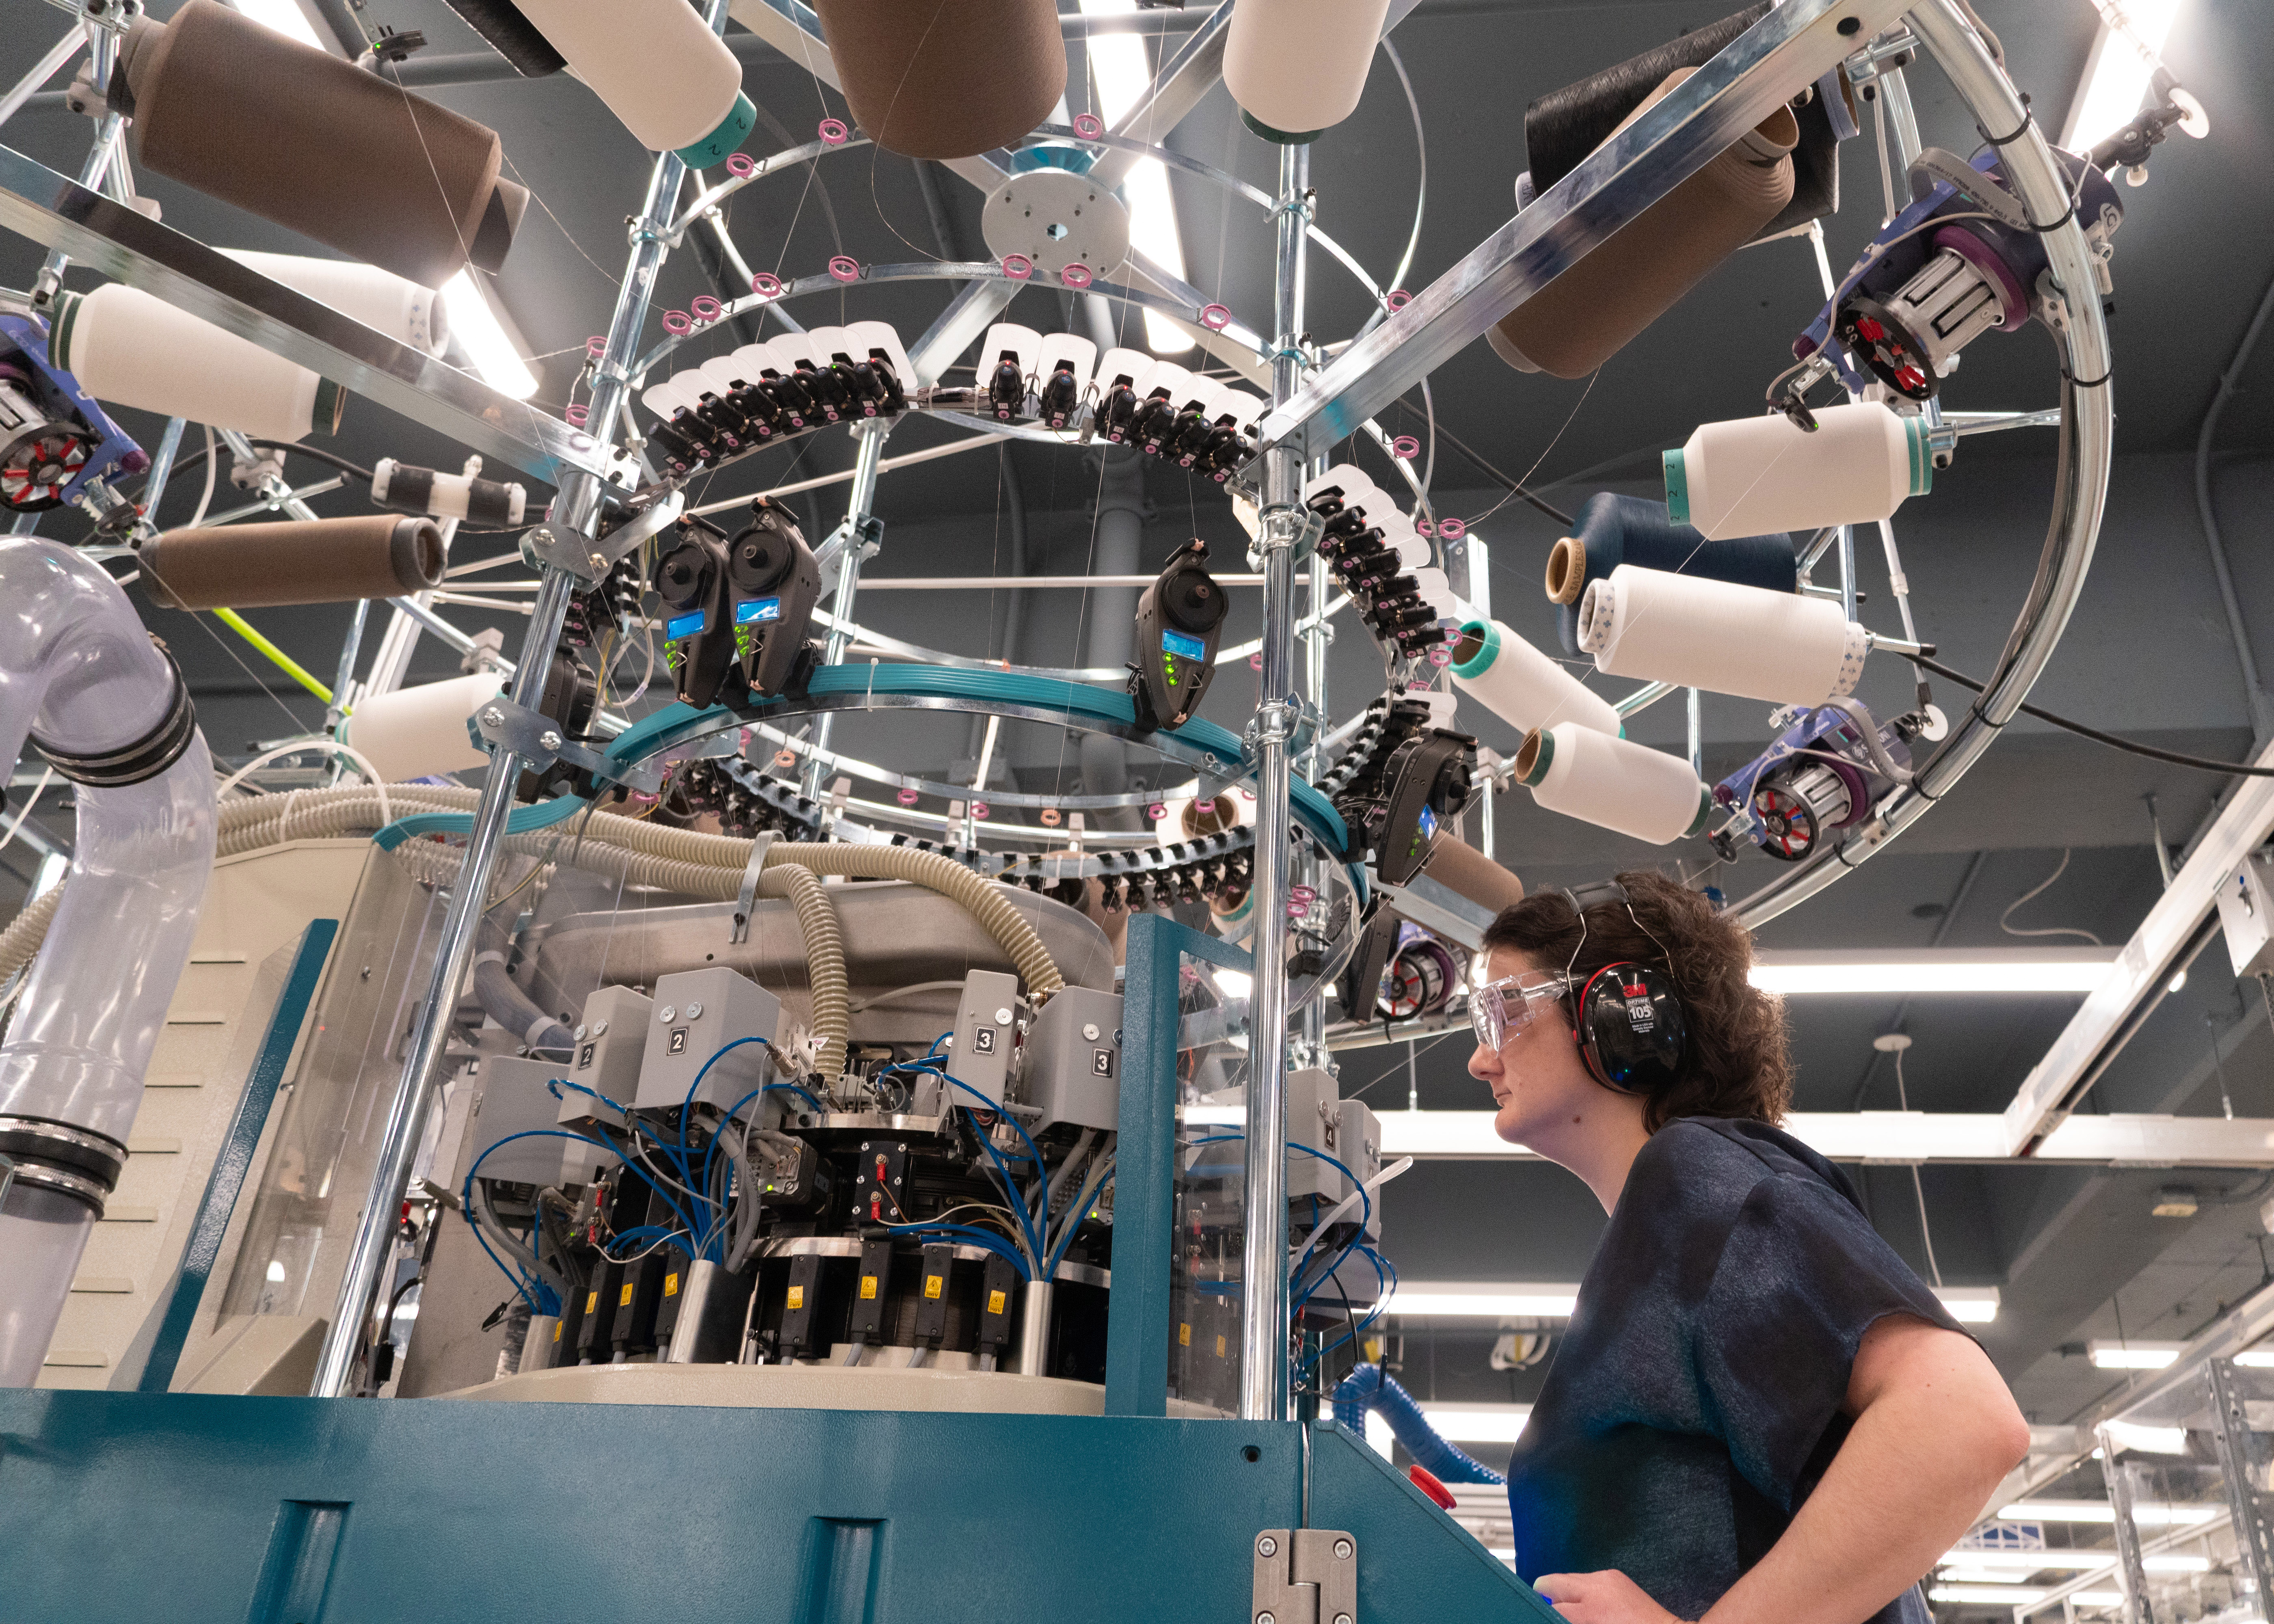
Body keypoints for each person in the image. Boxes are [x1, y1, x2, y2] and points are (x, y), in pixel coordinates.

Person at [1464, 871, 2028, 1624]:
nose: (1481, 1059)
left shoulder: (1695, 1173)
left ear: (1619, 1014)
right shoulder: (1657, 1232)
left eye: (1506, 1011)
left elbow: (1960, 1418)